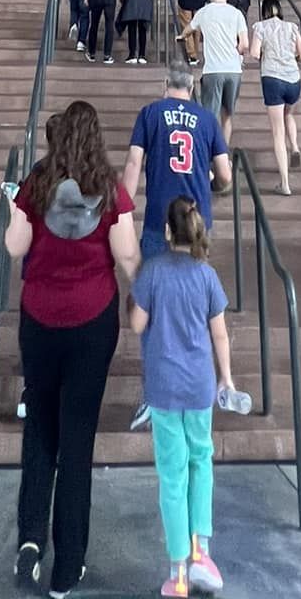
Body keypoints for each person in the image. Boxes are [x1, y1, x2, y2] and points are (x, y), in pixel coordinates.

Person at [6, 101, 138, 599]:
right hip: (91, 320)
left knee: (40, 430)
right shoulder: (109, 187)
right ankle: (68, 566)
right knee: (77, 443)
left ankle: (29, 539)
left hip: (40, 319)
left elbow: (15, 247)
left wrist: (14, 209)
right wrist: (148, 299)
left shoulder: (37, 182)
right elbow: (127, 255)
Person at [130, 197, 250, 596]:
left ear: (167, 231)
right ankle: (203, 553)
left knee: (172, 474)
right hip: (199, 386)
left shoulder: (153, 272)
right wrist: (226, 379)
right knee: (202, 462)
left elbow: (137, 324)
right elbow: (219, 334)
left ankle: (178, 572)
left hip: (163, 387)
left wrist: (135, 297)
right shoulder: (207, 275)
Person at [120, 66, 231, 433]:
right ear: (193, 86)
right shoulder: (207, 119)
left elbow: (134, 161)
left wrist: (123, 205)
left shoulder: (150, 113)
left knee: (151, 305)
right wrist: (213, 184)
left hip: (158, 219)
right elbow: (225, 174)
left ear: (165, 85)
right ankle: (195, 387)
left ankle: (153, 395)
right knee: (195, 302)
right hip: (196, 221)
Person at [251, 0, 301, 195]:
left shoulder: (260, 27)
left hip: (273, 80)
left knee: (277, 132)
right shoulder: (292, 27)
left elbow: (254, 53)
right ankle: (295, 147)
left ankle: (285, 183)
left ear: (264, 11)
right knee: (289, 114)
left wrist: (266, 54)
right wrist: (291, 57)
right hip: (293, 80)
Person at [185, 0, 249, 148]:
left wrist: (181, 36)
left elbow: (189, 29)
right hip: (233, 70)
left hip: (213, 70)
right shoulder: (237, 13)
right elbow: (244, 44)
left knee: (210, 116)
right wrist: (238, 53)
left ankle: (209, 150)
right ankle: (223, 151)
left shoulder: (204, 11)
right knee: (227, 115)